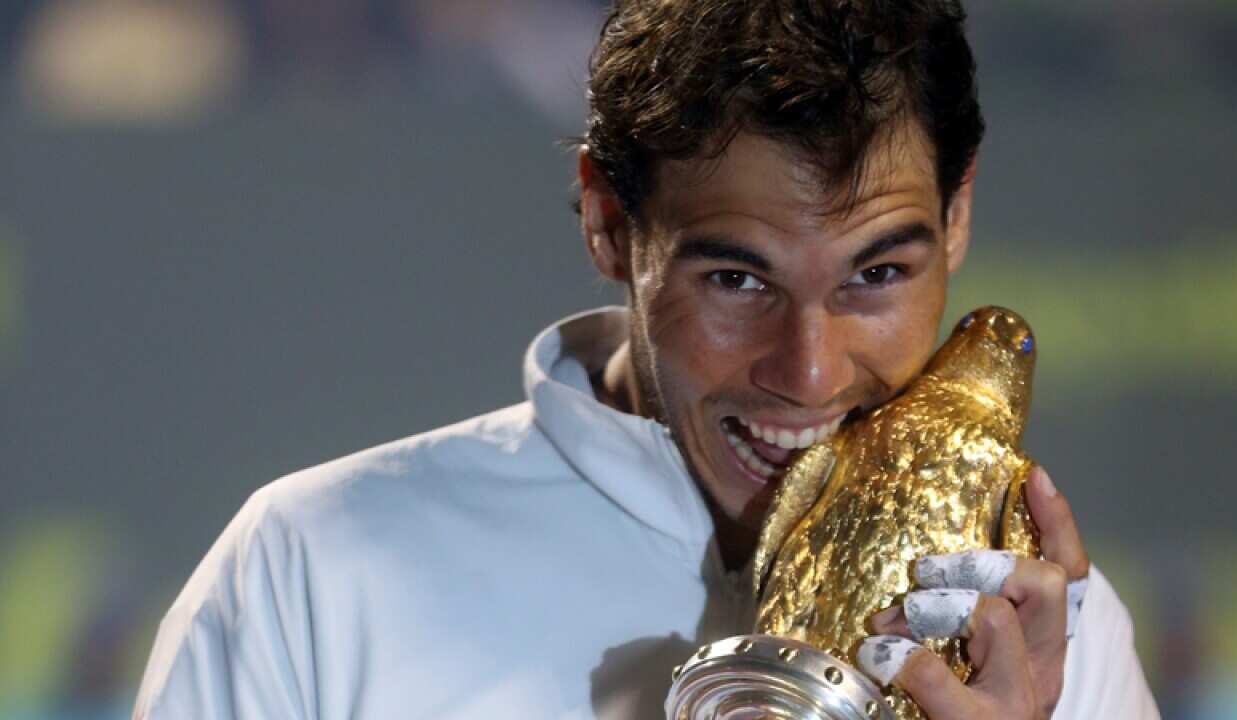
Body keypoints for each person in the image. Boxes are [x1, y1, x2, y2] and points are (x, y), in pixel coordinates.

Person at [133, 1, 1159, 718]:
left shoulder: (1036, 638)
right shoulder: (309, 573)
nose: (808, 373)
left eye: (875, 277)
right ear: (607, 221)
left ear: (959, 214)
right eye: (736, 281)